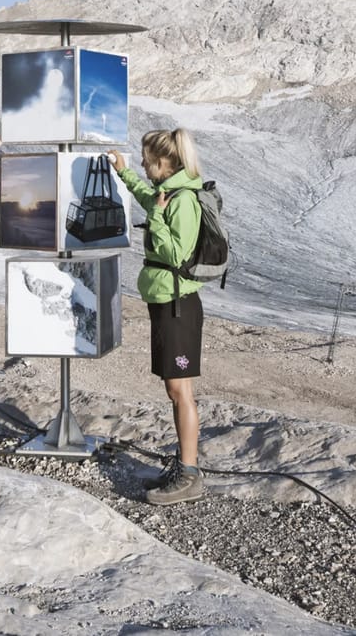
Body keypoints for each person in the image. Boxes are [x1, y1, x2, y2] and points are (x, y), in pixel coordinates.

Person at [107, 128, 207, 505]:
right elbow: (148, 196)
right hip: (167, 301)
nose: (145, 166)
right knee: (173, 387)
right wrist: (123, 172)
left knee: (181, 391)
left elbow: (178, 254)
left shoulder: (183, 201)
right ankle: (186, 465)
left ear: (166, 162)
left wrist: (158, 220)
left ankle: (190, 474)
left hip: (178, 304)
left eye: (148, 161)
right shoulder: (169, 194)